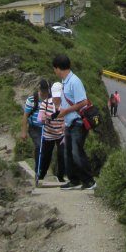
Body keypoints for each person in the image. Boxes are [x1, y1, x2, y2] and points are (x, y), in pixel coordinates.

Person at [49, 53, 96, 190]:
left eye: (54, 68)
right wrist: (63, 118)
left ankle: (89, 181)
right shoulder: (65, 82)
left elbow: (83, 102)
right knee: (67, 153)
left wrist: (66, 112)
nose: (55, 71)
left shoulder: (75, 81)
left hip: (78, 122)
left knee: (77, 152)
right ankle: (74, 180)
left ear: (58, 68)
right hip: (69, 123)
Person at [19, 78, 49, 179]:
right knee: (39, 146)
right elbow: (25, 116)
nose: (44, 94)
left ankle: (43, 171)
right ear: (39, 90)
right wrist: (23, 132)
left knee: (46, 150)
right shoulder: (32, 100)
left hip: (47, 128)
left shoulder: (51, 99)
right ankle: (37, 172)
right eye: (42, 92)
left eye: (46, 92)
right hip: (34, 128)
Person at [37, 81, 67, 183]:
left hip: (61, 134)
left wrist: (65, 124)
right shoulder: (45, 104)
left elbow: (69, 117)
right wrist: (43, 119)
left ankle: (61, 176)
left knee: (62, 154)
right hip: (48, 133)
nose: (56, 98)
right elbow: (39, 119)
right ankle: (42, 174)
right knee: (46, 155)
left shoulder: (65, 104)